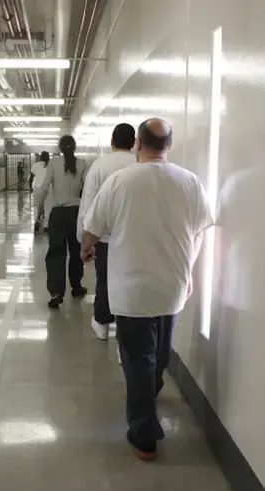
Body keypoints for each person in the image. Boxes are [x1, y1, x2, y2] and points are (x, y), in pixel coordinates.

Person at [81, 118, 213, 460]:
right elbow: (200, 228)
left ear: (138, 142)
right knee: (160, 350)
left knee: (138, 358)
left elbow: (93, 226)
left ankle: (144, 436)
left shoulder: (120, 181)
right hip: (172, 285)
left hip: (131, 287)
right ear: (169, 145)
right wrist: (189, 270)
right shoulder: (190, 182)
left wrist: (86, 248)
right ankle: (150, 393)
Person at [78, 123, 135, 341]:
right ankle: (125, 335)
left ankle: (102, 323)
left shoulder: (99, 166)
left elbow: (88, 207)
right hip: (132, 237)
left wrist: (85, 242)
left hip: (104, 238)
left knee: (105, 280)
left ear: (112, 141)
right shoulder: (139, 165)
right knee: (129, 284)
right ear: (134, 142)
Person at [36, 135, 89, 308]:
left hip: (58, 214)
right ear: (74, 147)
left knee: (56, 253)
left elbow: (44, 188)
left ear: (59, 148)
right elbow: (87, 191)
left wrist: (39, 210)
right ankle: (76, 286)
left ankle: (56, 292)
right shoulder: (82, 164)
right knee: (76, 252)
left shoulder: (53, 163)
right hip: (76, 213)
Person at [31, 151, 50, 233]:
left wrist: (30, 189)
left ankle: (37, 221)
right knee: (48, 207)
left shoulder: (36, 165)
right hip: (49, 190)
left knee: (37, 207)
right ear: (48, 157)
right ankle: (46, 225)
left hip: (38, 189)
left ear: (40, 157)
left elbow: (31, 177)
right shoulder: (51, 165)